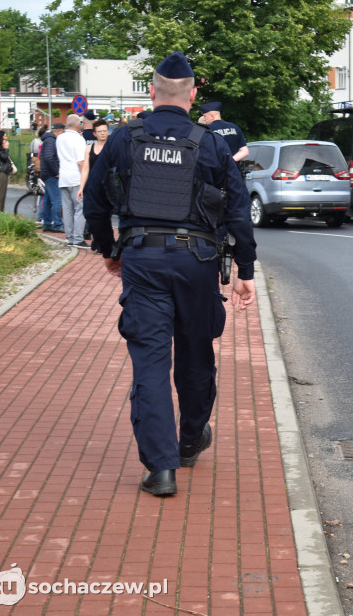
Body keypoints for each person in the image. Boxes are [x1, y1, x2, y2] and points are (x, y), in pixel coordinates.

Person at [83, 51, 257, 497]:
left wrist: (108, 249)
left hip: (142, 263)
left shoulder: (126, 137)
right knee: (197, 356)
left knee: (150, 364)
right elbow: (238, 209)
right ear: (193, 95)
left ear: (151, 92)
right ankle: (190, 439)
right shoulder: (212, 142)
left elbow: (95, 200)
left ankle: (161, 470)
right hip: (197, 263)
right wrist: (246, 270)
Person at [56, 114, 87, 246]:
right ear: (77, 124)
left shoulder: (60, 138)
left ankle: (69, 237)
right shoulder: (79, 139)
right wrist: (85, 178)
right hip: (76, 177)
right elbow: (81, 162)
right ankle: (78, 238)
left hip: (63, 177)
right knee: (80, 208)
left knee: (67, 208)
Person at [39, 123, 66, 232]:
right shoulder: (51, 141)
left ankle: (47, 223)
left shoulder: (48, 140)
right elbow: (49, 158)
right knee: (57, 200)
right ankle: (57, 224)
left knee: (48, 200)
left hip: (46, 173)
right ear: (59, 131)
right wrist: (56, 172)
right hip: (51, 174)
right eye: (63, 132)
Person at [0, 129, 15, 212]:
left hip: (3, 172)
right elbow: (4, 157)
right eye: (4, 136)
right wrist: (6, 148)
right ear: (0, 137)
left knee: (3, 194)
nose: (6, 137)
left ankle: (1, 212)